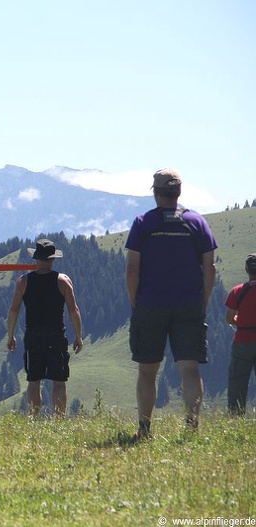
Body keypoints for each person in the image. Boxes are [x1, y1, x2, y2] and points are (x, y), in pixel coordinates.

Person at [125, 168, 217, 439]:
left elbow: (132, 269)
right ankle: (191, 427)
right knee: (189, 368)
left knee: (147, 371)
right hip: (189, 303)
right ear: (179, 192)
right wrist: (203, 301)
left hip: (150, 304)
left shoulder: (143, 223)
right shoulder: (197, 222)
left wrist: (135, 303)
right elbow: (209, 267)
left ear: (155, 193)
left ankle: (145, 428)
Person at [7, 238, 83, 416]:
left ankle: (34, 419)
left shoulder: (23, 281)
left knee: (33, 381)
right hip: (56, 335)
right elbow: (74, 310)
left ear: (36, 258)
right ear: (52, 259)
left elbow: (14, 310)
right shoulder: (62, 281)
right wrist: (78, 336)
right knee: (58, 381)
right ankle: (59, 420)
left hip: (33, 336)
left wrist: (10, 335)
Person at [224, 253, 256, 415]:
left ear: (246, 270)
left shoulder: (237, 291)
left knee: (238, 381)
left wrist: (240, 323)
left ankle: (236, 417)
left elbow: (229, 318)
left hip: (242, 340)